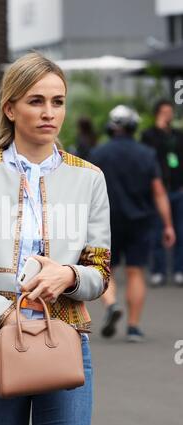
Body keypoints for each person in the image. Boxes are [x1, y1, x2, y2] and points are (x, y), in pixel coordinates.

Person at [0, 52, 111, 425]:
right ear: (11, 108)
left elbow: (100, 271)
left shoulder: (89, 178)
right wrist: (6, 316)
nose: (49, 112)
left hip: (65, 343)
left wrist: (69, 276)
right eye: (36, 101)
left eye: (58, 101)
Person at [89, 105, 175, 342]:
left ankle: (111, 305)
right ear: (134, 126)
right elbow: (158, 192)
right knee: (135, 271)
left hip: (106, 221)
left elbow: (87, 191)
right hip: (140, 221)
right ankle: (134, 327)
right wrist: (168, 225)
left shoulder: (98, 154)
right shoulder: (146, 154)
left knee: (105, 269)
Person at [142, 99, 183, 287]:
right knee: (157, 231)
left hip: (177, 188)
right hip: (158, 191)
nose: (169, 114)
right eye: (165, 111)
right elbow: (147, 158)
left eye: (170, 111)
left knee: (180, 231)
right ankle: (158, 270)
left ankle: (178, 270)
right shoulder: (149, 135)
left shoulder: (177, 135)